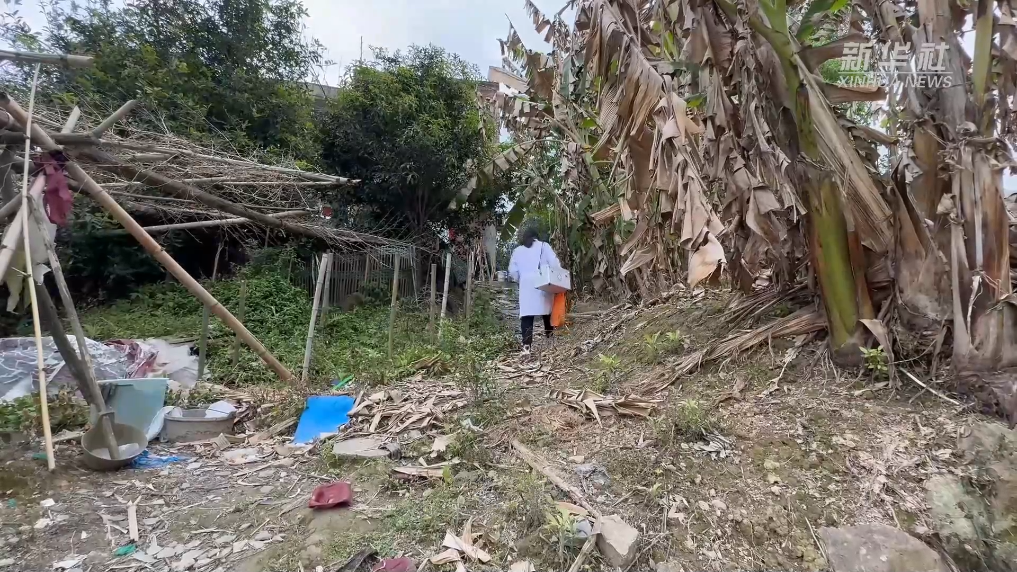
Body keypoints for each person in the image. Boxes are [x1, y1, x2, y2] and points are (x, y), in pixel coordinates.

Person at [508, 227, 561, 354]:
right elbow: (555, 264)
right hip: (543, 283)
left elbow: (513, 272)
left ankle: (527, 348)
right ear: (536, 237)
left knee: (526, 317)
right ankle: (550, 342)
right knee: (547, 314)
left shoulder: (517, 251)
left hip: (526, 287)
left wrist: (521, 279)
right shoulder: (544, 246)